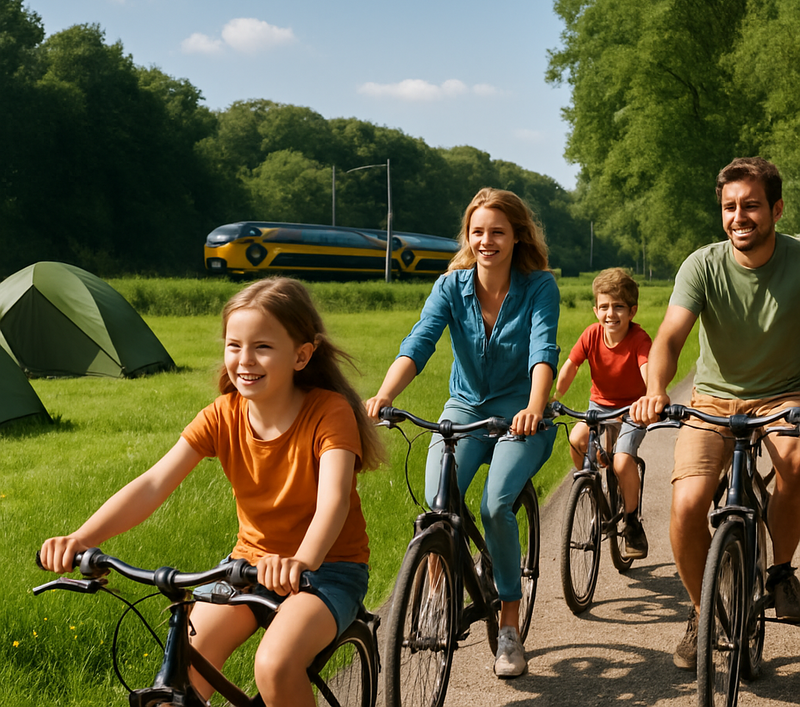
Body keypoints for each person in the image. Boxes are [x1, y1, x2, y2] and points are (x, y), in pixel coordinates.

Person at [39, 278, 384, 707]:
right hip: (247, 565)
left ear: (301, 355)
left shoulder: (329, 412)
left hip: (327, 568)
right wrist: (82, 539)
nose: (244, 359)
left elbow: (333, 501)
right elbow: (153, 484)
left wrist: (301, 560)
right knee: (185, 665)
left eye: (262, 347)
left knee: (274, 666)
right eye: (234, 345)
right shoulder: (223, 415)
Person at [366, 187, 560, 678]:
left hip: (521, 414)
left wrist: (534, 407)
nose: (486, 241)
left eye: (498, 232)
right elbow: (420, 342)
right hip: (465, 409)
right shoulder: (451, 286)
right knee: (439, 506)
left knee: (495, 505)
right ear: (468, 237)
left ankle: (509, 625)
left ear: (517, 236)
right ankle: (437, 592)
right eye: (478, 232)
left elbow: (543, 350)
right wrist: (384, 394)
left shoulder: (539, 286)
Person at [630, 157, 800, 672]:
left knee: (796, 465)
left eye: (751, 205)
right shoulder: (702, 265)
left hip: (784, 396)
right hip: (712, 400)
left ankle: (780, 572)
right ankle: (704, 612)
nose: (738, 217)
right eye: (729, 207)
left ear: (777, 209)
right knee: (686, 506)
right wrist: (656, 389)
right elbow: (670, 337)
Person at [553, 267, 651, 558]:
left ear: (632, 311)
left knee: (622, 462)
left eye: (618, 307)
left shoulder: (639, 339)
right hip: (599, 406)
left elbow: (648, 370)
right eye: (604, 306)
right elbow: (571, 367)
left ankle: (632, 523)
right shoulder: (591, 334)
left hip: (633, 409)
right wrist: (554, 398)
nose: (611, 314)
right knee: (576, 439)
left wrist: (652, 398)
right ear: (596, 310)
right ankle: (592, 489)